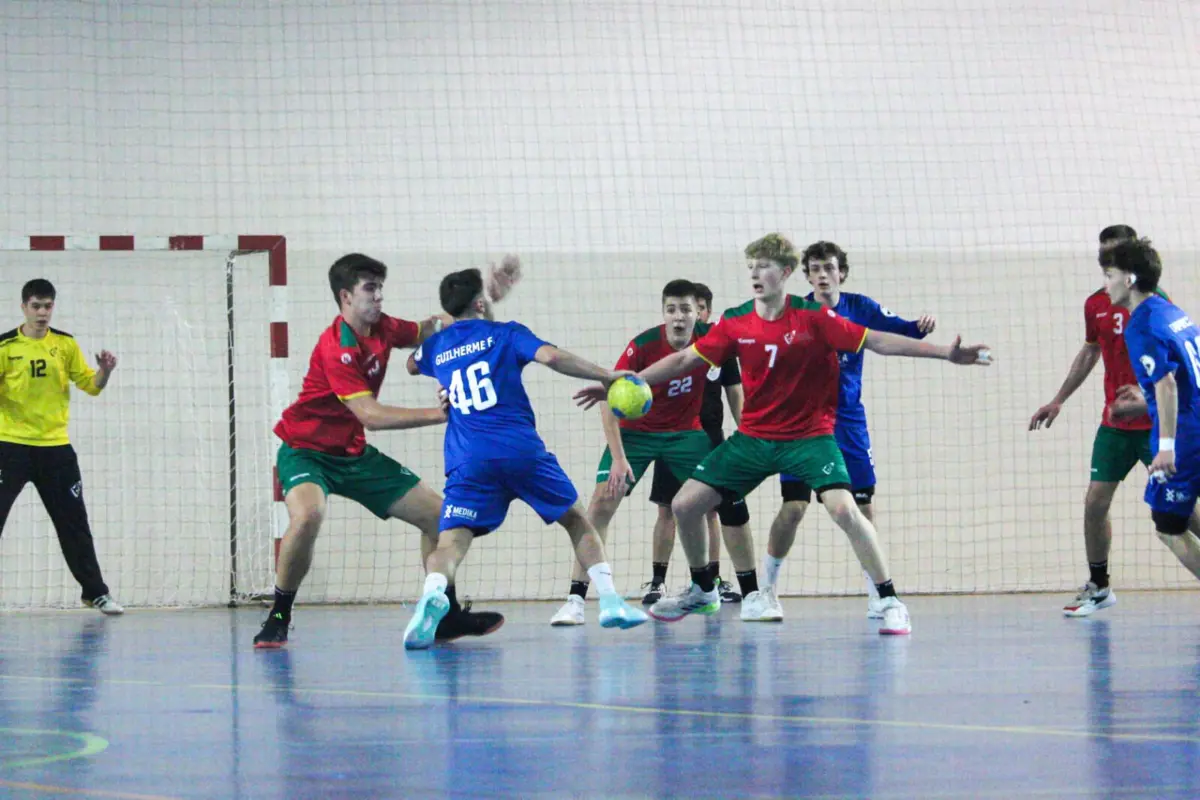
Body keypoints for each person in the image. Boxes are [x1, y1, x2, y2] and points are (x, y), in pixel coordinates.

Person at [577, 233, 992, 635]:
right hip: (754, 437)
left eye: (766, 266)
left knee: (845, 510)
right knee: (685, 504)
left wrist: (945, 353)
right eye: (752, 266)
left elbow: (878, 342)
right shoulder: (735, 321)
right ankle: (704, 589)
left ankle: (889, 600)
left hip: (810, 437)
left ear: (788, 271)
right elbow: (684, 360)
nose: (756, 273)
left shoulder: (814, 317)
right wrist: (624, 384)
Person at [255, 253, 502, 649]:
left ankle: (443, 615)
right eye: (370, 288)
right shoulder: (337, 346)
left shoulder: (383, 328)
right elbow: (369, 414)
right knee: (308, 516)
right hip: (306, 451)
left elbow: (429, 327)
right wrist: (439, 414)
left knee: (441, 517)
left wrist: (479, 300)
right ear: (345, 297)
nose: (379, 296)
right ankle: (279, 615)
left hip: (354, 455)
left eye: (380, 287)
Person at [404, 266, 648, 649]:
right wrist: (608, 376)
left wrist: (447, 350)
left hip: (469, 460)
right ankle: (612, 601)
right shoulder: (506, 333)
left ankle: (433, 591)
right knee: (576, 520)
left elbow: (412, 364)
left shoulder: (436, 346)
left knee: (450, 542)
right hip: (520, 450)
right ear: (481, 302)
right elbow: (551, 357)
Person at [549, 279, 761, 627]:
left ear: (698, 313)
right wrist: (618, 458)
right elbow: (610, 400)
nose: (678, 317)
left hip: (686, 435)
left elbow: (739, 378)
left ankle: (749, 594)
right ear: (664, 313)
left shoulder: (711, 341)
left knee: (728, 497)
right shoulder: (643, 346)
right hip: (637, 435)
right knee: (600, 504)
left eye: (686, 310)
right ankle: (575, 600)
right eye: (671, 310)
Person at [765, 242, 936, 620]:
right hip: (802, 425)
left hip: (848, 423)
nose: (823, 274)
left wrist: (919, 328)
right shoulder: (795, 313)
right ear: (806, 275)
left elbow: (898, 332)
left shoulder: (861, 308)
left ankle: (878, 593)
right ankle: (766, 590)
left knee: (863, 506)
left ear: (841, 272)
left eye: (829, 267)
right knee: (793, 508)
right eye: (815, 268)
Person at [1029, 225, 1165, 617]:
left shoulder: (1154, 302)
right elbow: (1090, 351)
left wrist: (1148, 399)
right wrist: (1058, 399)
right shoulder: (1096, 304)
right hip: (1115, 426)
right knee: (1094, 503)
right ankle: (1100, 585)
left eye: (1115, 253)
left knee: (1181, 513)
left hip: (1156, 423)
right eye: (1102, 254)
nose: (1106, 260)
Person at [0, 279, 122, 615]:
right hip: (10, 448)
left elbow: (90, 386)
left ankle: (95, 592)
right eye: (36, 306)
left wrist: (104, 371)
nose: (42, 313)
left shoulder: (65, 345)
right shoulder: (5, 347)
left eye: (48, 306)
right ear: (23, 306)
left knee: (74, 523)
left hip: (55, 451)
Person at [1102, 238, 1200, 584]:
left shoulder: (1141, 325)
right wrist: (1146, 402)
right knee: (1184, 512)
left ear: (1128, 280)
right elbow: (1188, 377)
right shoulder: (1170, 311)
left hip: (1187, 434)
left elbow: (1169, 384)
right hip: (1195, 418)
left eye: (1109, 274)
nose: (1105, 284)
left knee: (1168, 525)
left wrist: (1167, 447)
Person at [644, 282, 746, 605]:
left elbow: (736, 395)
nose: (692, 315)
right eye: (687, 308)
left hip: (710, 438)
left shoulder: (721, 349)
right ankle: (657, 582)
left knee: (711, 512)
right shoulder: (674, 350)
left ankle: (710, 580)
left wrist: (746, 435)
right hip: (674, 435)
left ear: (707, 312)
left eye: (698, 308)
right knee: (666, 509)